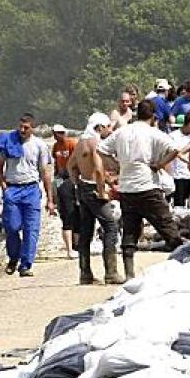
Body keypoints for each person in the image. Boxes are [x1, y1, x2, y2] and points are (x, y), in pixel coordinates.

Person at [95, 99, 183, 280]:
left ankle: (129, 274)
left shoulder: (122, 132)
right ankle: (182, 268)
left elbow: (101, 149)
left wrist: (116, 165)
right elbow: (175, 149)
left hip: (127, 189)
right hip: (148, 186)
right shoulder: (153, 133)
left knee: (130, 231)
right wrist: (159, 165)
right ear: (153, 116)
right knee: (169, 229)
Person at [0, 112, 54, 277]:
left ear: (32, 128)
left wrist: (50, 198)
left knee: (31, 229)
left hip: (32, 190)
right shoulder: (8, 142)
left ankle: (26, 265)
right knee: (11, 227)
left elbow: (45, 172)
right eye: (20, 126)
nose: (22, 130)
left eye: (26, 127)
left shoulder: (40, 146)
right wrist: (4, 186)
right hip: (12, 189)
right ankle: (14, 256)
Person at [70, 112, 124, 285]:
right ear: (99, 127)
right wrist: (101, 191)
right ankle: (111, 273)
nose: (109, 130)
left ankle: (85, 273)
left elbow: (71, 166)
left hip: (83, 188)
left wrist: (77, 184)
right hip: (94, 189)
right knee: (110, 225)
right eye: (107, 127)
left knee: (86, 230)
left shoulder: (80, 143)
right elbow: (99, 170)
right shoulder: (96, 143)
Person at [52, 124, 80, 258]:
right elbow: (56, 164)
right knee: (66, 212)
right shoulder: (56, 147)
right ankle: (71, 246)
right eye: (56, 133)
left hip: (72, 178)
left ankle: (77, 245)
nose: (58, 135)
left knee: (75, 211)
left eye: (60, 133)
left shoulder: (72, 144)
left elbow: (78, 161)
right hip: (61, 179)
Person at [168, 112, 190, 207]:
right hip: (178, 175)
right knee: (179, 204)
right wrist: (188, 162)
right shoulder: (173, 136)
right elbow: (176, 153)